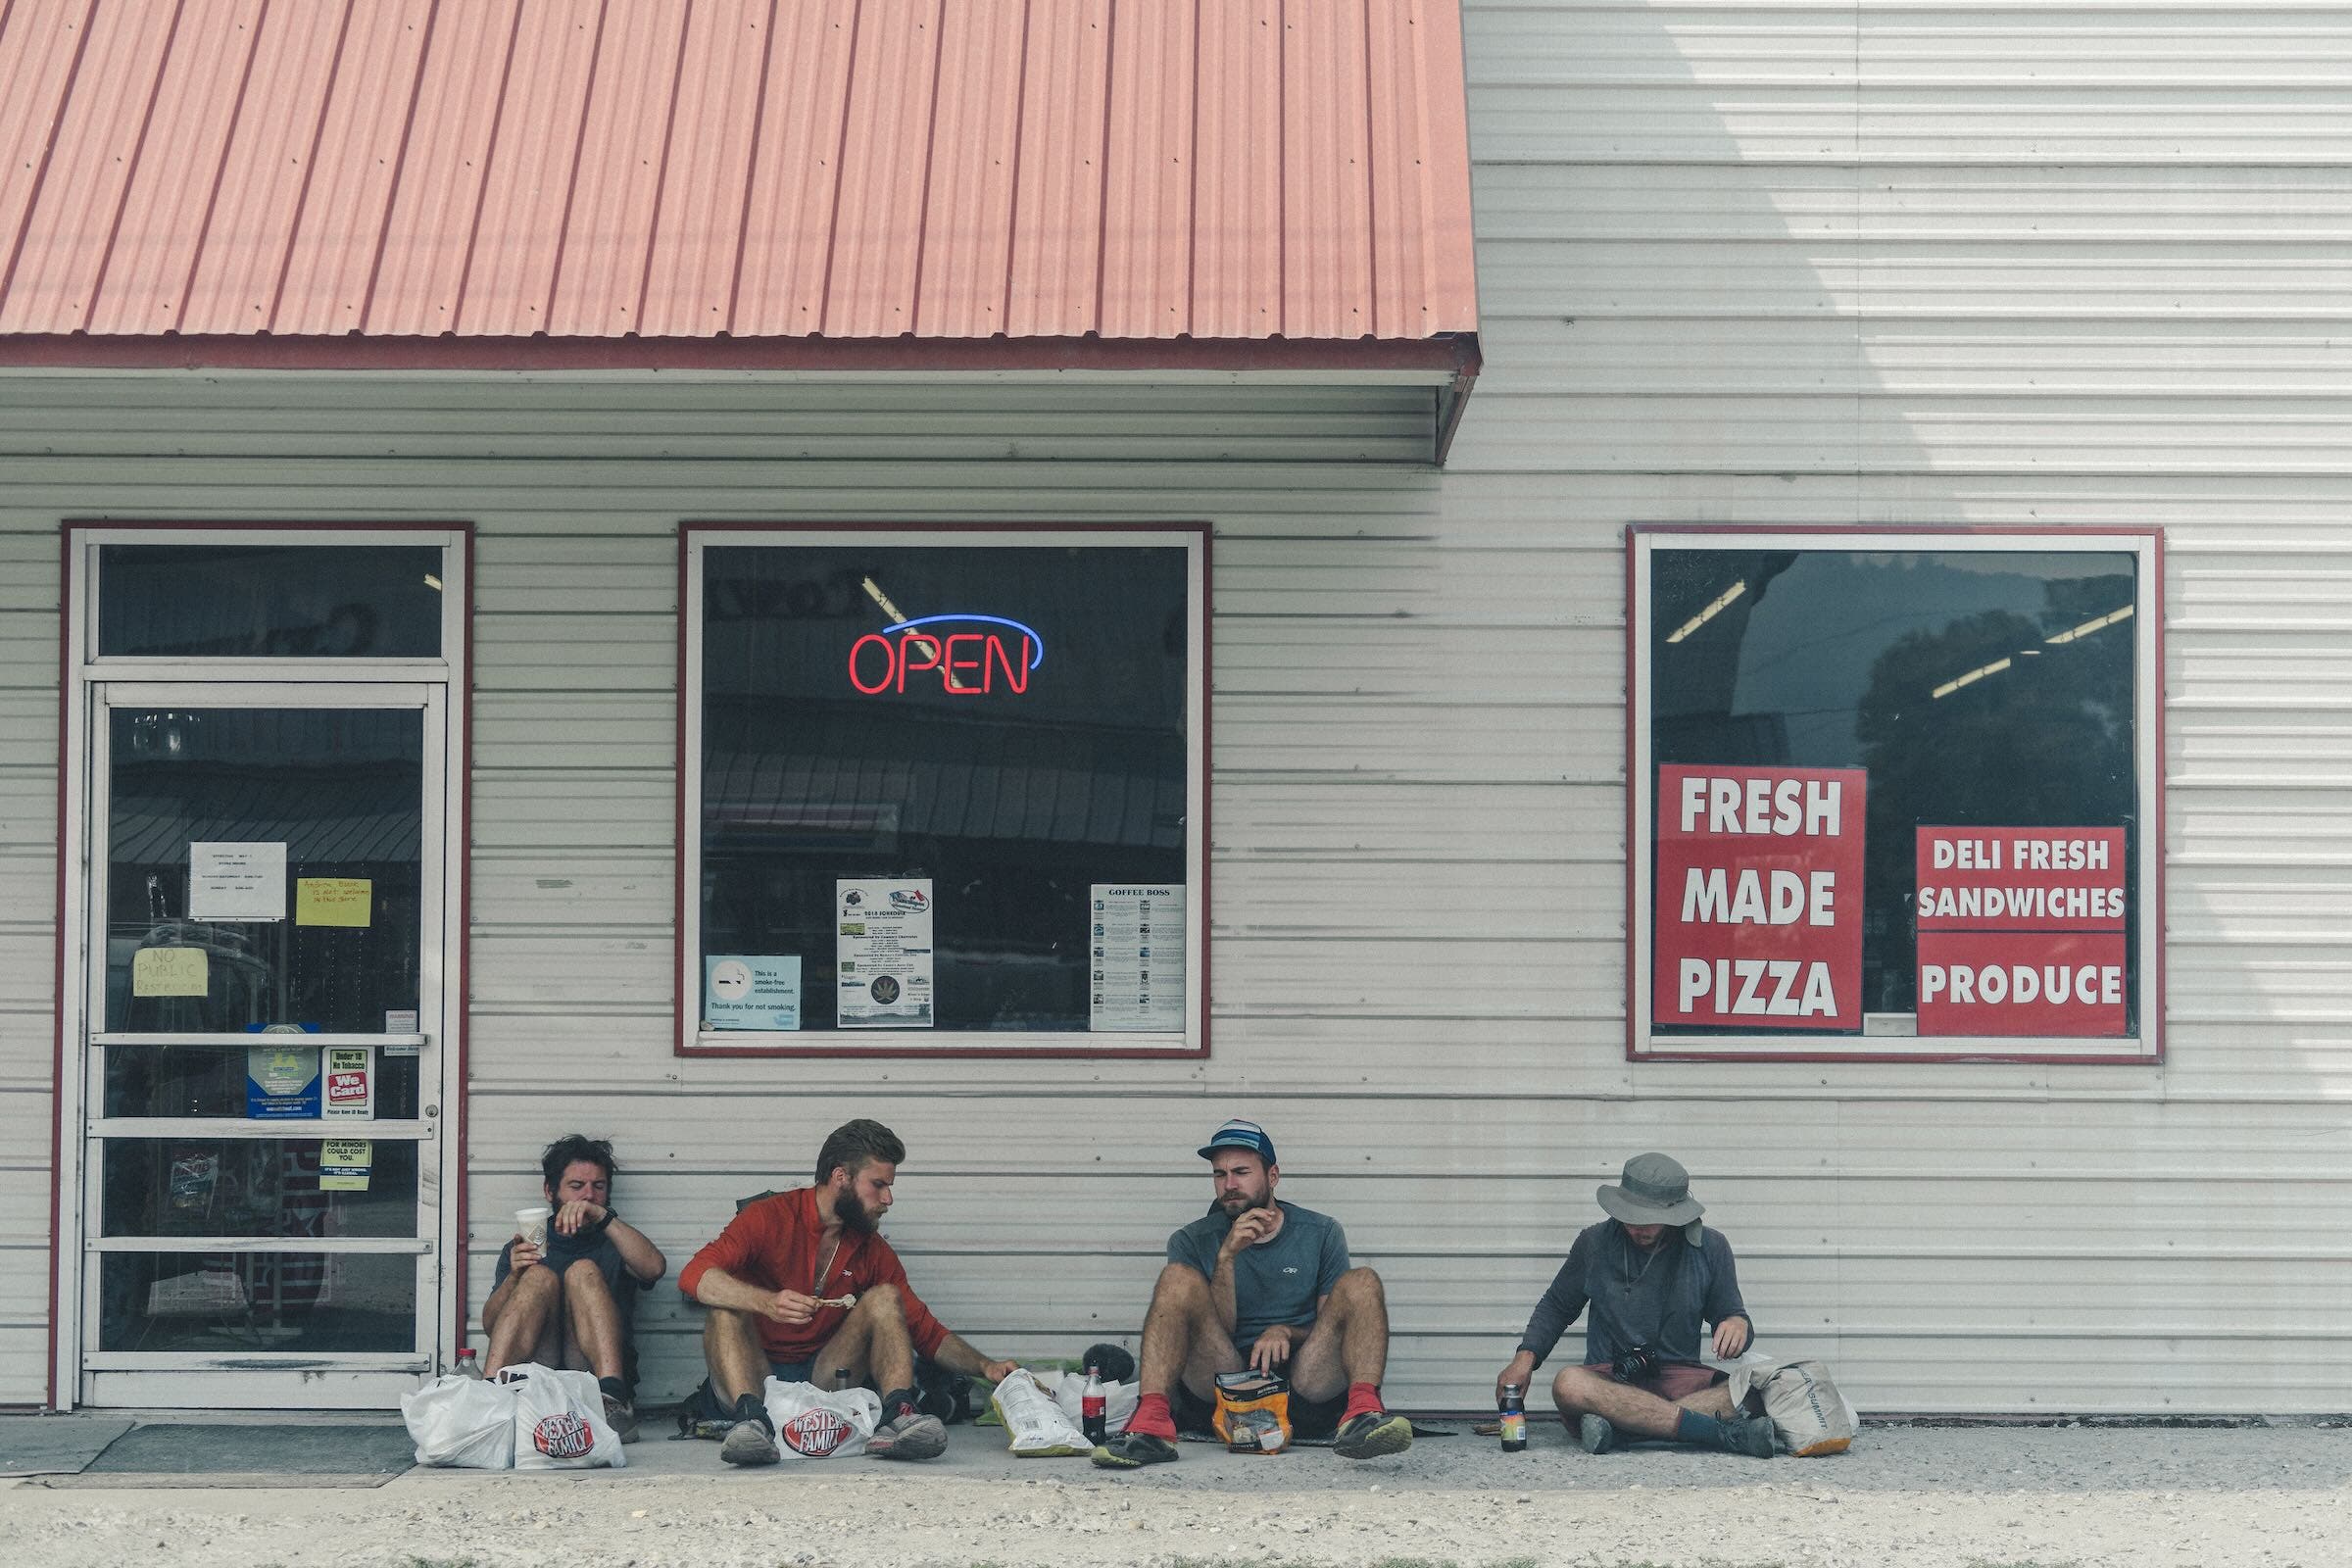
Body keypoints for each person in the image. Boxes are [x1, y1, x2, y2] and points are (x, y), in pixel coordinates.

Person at [677, 1117, 1018, 1465]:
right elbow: (694, 1275)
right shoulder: (767, 1217)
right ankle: (750, 1424)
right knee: (723, 1306)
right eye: (878, 1184)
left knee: (886, 1297)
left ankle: (899, 1416)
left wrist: (985, 1366)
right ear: (841, 1177)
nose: (888, 1198)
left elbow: (926, 1331)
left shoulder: (870, 1247)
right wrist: (765, 1302)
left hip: (824, 1378)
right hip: (753, 1376)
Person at [1092, 1118, 1413, 1468]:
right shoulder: (1190, 1240)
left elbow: (1333, 1326)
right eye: (1219, 1174)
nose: (1229, 1184)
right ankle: (1151, 1428)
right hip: (1223, 1386)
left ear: (1272, 1176)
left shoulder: (1320, 1232)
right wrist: (1227, 1257)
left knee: (1362, 1280)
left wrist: (1286, 1331)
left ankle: (1362, 1415)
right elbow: (1216, 1331)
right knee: (1176, 1278)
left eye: (1241, 1172)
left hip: (1305, 1384)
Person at [1494, 1152, 1775, 1459]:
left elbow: (1732, 1315)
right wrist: (1523, 1360)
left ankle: (1624, 1430)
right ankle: (1715, 1433)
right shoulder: (1594, 1242)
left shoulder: (1711, 1246)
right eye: (1629, 1216)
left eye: (1649, 1219)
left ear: (1676, 1213)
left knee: (1758, 1391)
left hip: (1680, 1379)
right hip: (1611, 1380)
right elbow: (1557, 1306)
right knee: (1568, 1384)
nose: (1637, 1227)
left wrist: (1737, 1324)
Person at [481, 1133, 667, 1442]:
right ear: (550, 1191)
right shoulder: (525, 1245)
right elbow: (491, 1326)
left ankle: (613, 1401)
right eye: (576, 1186)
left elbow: (654, 1268)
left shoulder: (616, 1239)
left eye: (598, 1186)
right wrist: (515, 1276)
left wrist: (603, 1218)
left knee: (583, 1271)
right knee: (538, 1276)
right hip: (537, 1376)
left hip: (593, 1382)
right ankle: (489, 1400)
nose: (588, 1196)